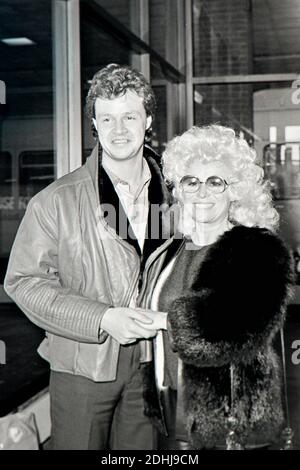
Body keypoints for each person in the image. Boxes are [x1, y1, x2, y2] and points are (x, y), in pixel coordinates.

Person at [4, 63, 171, 450]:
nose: (118, 130)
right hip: (83, 362)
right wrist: (102, 318)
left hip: (151, 358)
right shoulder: (56, 201)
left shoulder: (172, 193)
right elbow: (24, 282)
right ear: (93, 124)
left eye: (129, 116)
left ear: (147, 120)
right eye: (106, 118)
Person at [137, 125, 294, 450]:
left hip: (233, 423)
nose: (202, 192)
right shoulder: (170, 251)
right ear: (179, 189)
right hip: (171, 412)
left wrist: (160, 320)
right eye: (191, 181)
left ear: (235, 191)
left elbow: (228, 331)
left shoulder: (258, 251)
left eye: (215, 182)